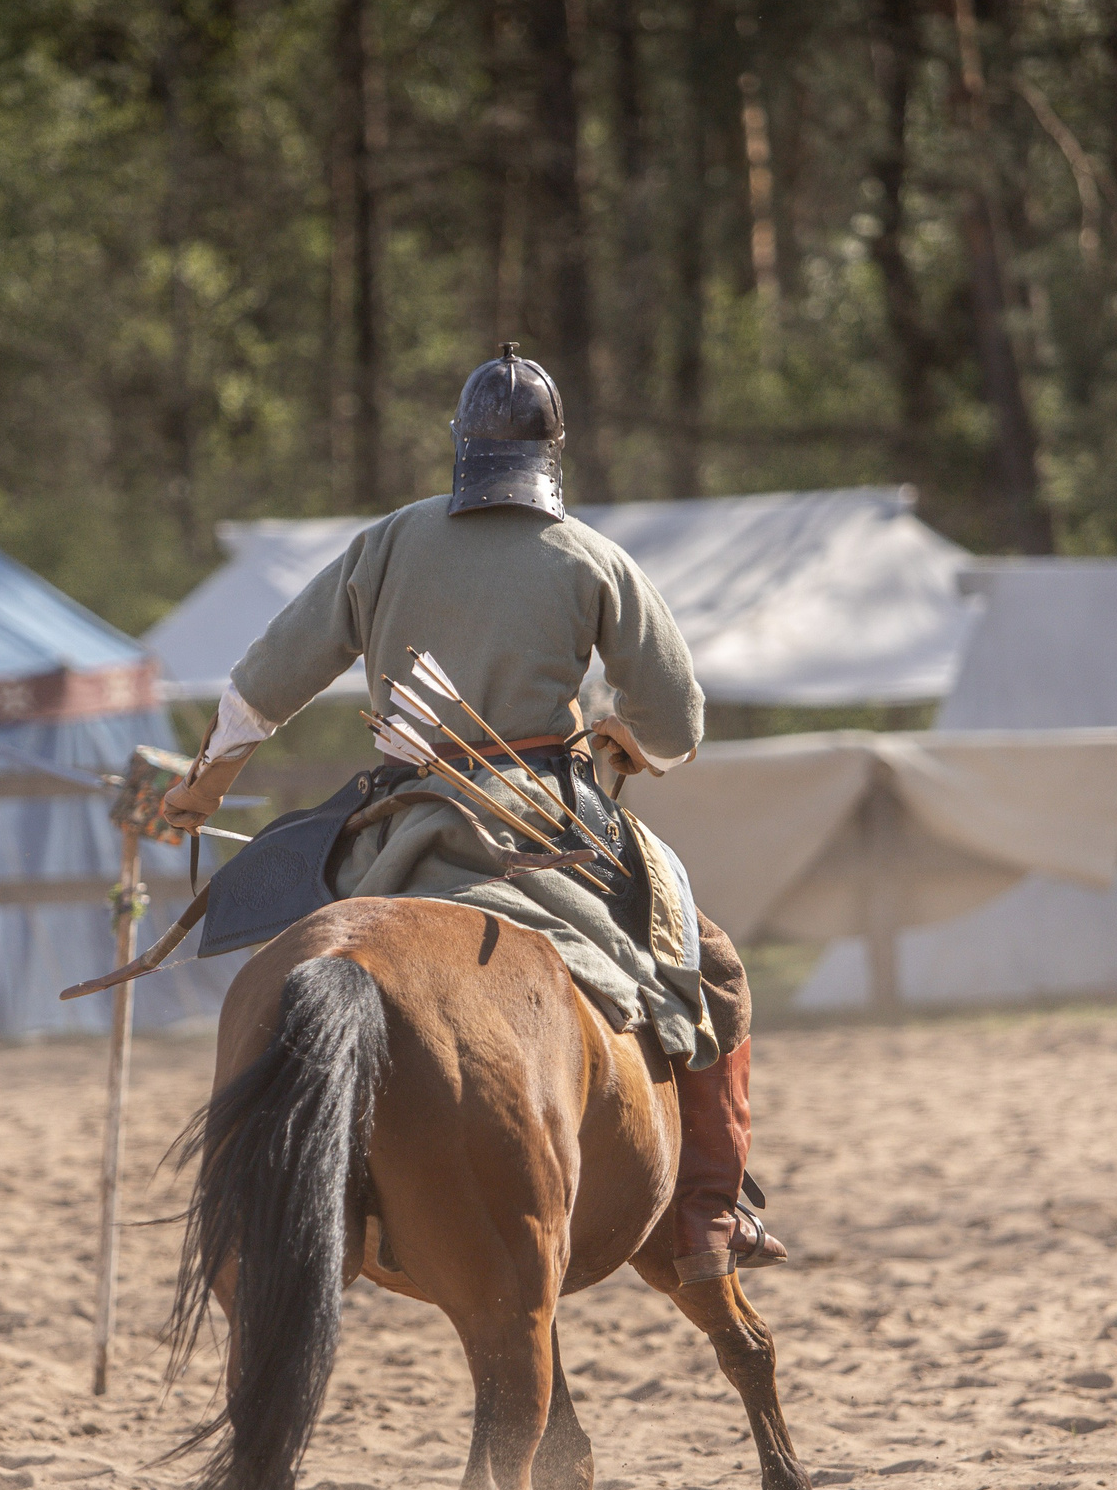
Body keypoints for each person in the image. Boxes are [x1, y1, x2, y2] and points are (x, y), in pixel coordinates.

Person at [158, 343, 785, 1283]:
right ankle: (705, 1218)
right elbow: (677, 720)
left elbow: (265, 683)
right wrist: (621, 746)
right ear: (554, 450)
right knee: (718, 968)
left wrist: (203, 783)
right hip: (547, 830)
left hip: (392, 828)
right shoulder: (589, 555)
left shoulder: (388, 541)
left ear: (460, 444)